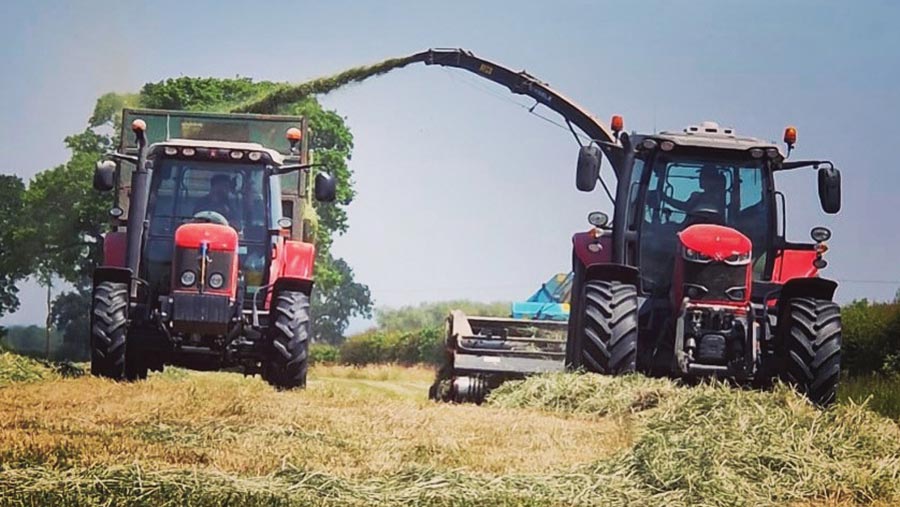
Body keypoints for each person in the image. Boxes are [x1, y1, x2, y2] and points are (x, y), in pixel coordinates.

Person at [662, 165, 727, 216]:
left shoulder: (717, 199)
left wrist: (665, 198)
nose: (700, 179)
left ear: (713, 180)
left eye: (704, 177)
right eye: (700, 176)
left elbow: (684, 206)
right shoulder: (698, 195)